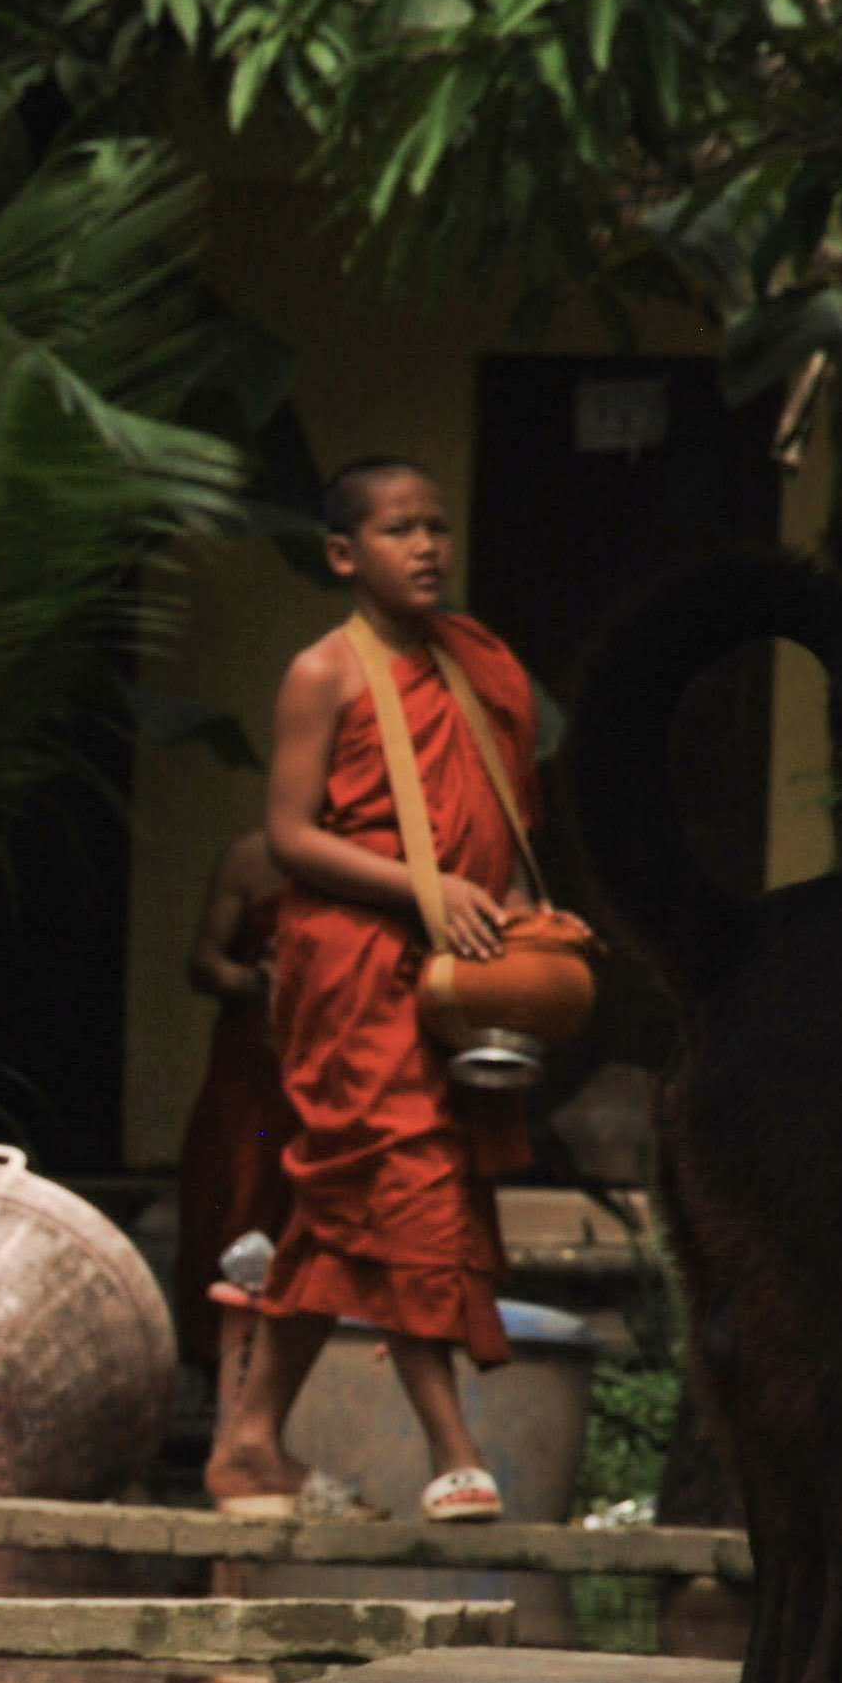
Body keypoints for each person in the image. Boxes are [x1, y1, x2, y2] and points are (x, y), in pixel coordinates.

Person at [205, 459, 567, 1525]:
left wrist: (512, 911)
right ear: (341, 554)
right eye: (399, 529)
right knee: (408, 1185)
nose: (426, 547)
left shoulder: (473, 664)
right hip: (350, 964)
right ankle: (453, 1449)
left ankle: (248, 1443)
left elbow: (497, 826)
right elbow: (288, 834)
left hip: (450, 965)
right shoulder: (322, 671)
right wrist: (421, 885)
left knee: (344, 1204)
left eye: (436, 527)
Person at [173, 828, 302, 1474]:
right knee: (232, 1204)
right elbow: (203, 960)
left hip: (333, 1072)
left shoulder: (386, 861)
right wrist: (255, 981)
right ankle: (214, 1385)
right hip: (252, 1071)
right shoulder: (254, 854)